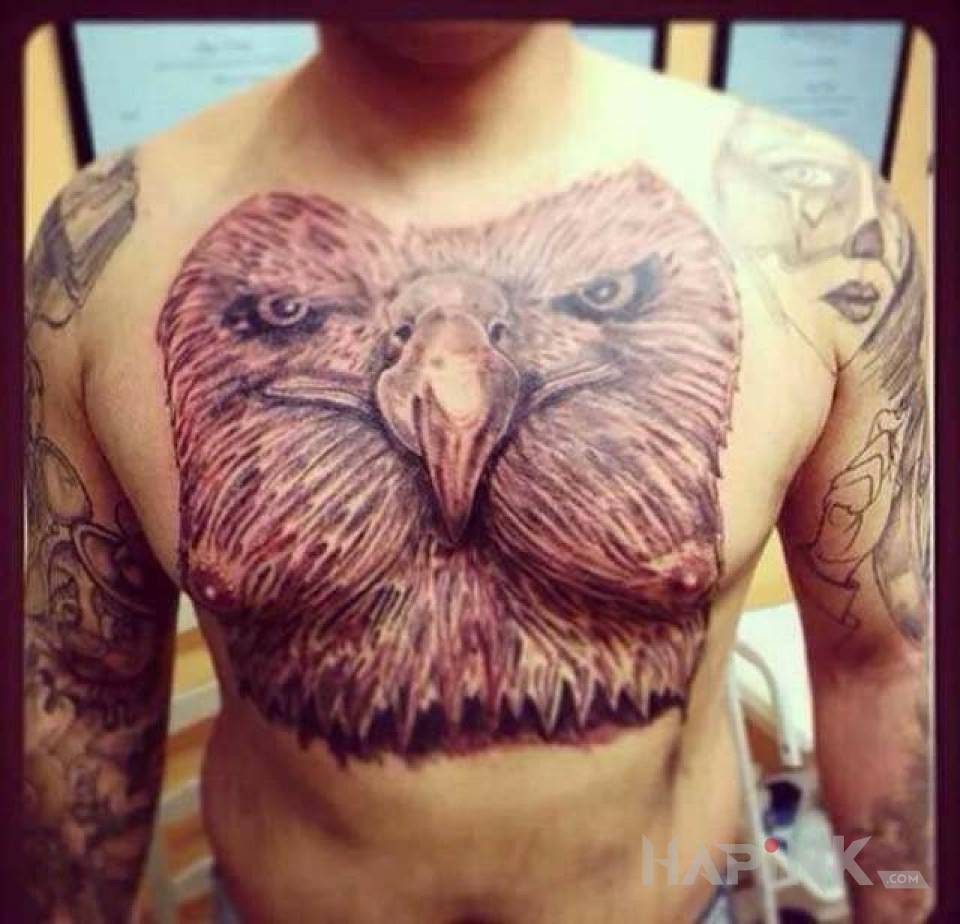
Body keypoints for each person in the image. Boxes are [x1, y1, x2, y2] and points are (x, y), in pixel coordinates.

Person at [23, 19, 932, 924]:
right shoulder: (107, 249)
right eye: (287, 314)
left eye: (605, 297)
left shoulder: (815, 230)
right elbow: (78, 691)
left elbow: (886, 664)